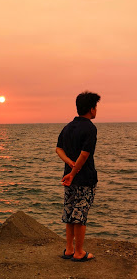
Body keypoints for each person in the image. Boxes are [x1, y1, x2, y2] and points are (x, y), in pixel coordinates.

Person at [56, 91, 101, 262]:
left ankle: (69, 249)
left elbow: (58, 149)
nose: (96, 110)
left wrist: (69, 164)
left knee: (69, 213)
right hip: (83, 179)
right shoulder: (90, 128)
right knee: (80, 215)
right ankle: (79, 252)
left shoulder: (68, 127)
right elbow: (85, 154)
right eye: (95, 107)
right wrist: (74, 170)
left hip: (68, 178)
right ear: (91, 109)